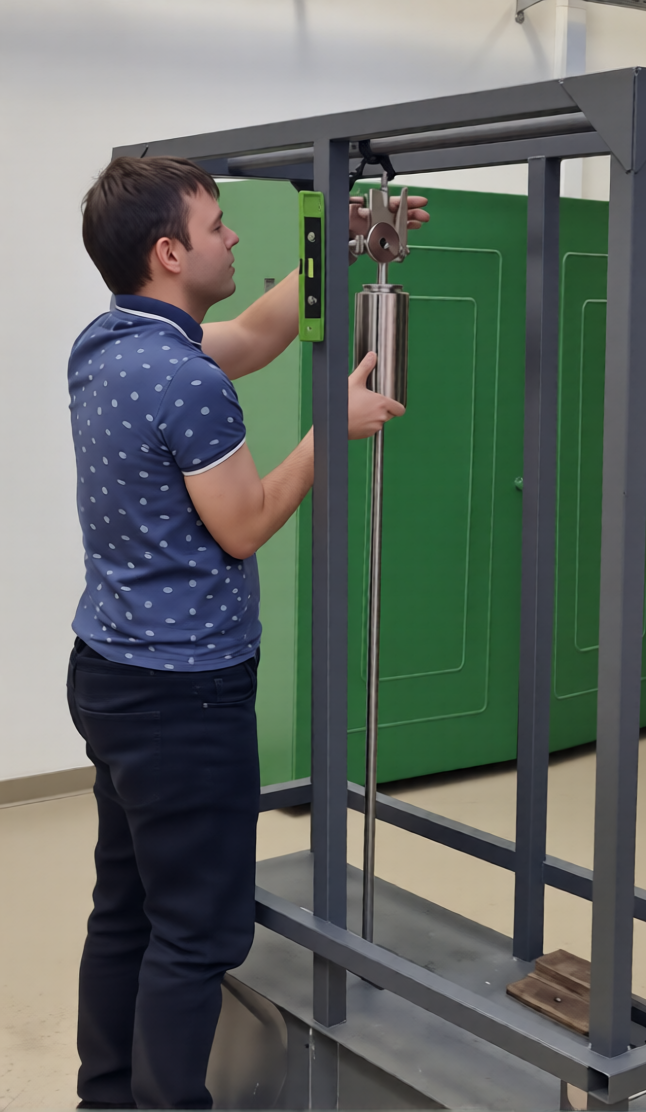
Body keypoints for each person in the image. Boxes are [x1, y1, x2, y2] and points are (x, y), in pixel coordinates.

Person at [66, 155, 428, 1110]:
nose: (233, 238)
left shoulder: (111, 343)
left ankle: (105, 1098)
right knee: (196, 934)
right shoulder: (186, 381)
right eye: (217, 225)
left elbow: (259, 337)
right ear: (169, 252)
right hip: (182, 699)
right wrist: (328, 427)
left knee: (127, 909)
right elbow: (244, 523)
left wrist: (340, 242)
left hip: (111, 674)